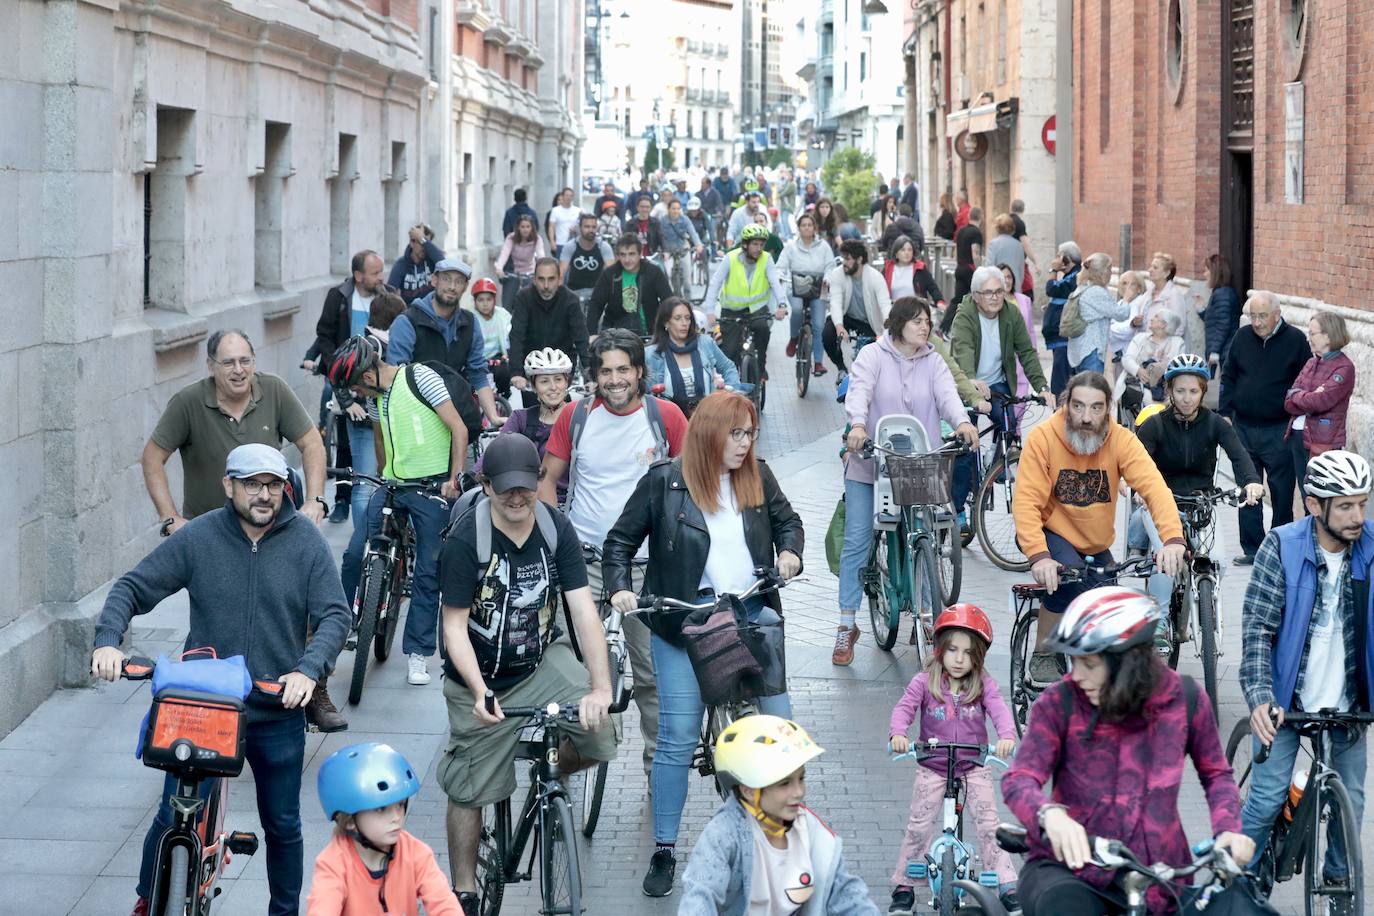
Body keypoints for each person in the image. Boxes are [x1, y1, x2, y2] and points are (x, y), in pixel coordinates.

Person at [94, 443, 351, 916]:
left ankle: (284, 911)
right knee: (173, 813)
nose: (264, 495)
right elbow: (134, 586)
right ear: (228, 486)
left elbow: (335, 615)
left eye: (273, 485)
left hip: (277, 708)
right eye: (252, 484)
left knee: (283, 823)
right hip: (204, 707)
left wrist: (307, 671)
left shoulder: (305, 542)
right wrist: (109, 639)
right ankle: (150, 899)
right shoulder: (201, 537)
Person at [603, 391, 804, 897]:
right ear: (710, 432)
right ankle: (665, 848)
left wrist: (790, 556)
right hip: (683, 619)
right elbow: (619, 542)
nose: (745, 444)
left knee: (779, 727)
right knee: (676, 735)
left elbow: (788, 522)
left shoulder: (757, 474)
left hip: (751, 611)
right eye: (736, 434)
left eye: (750, 433)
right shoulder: (664, 482)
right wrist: (620, 587)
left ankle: (783, 832)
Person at [436, 435, 618, 916]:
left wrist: (601, 687)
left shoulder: (557, 528)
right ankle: (464, 891)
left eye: (526, 487)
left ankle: (548, 768)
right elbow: (453, 626)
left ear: (538, 481)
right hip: (478, 674)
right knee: (471, 787)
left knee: (602, 737)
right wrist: (478, 692)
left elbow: (583, 613)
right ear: (486, 485)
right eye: (505, 489)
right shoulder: (464, 541)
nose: (517, 498)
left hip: (539, 662)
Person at [1002, 586, 1252, 916]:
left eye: (1089, 664)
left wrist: (1229, 832)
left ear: (1127, 663)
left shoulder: (1186, 699)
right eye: (1074, 662)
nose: (1076, 675)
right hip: (1072, 871)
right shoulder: (1059, 703)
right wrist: (1049, 815)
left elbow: (1217, 776)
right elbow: (1019, 779)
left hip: (1159, 876)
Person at [538, 330, 690, 779]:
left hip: (646, 568)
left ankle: (657, 771)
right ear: (594, 376)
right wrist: (557, 535)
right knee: (572, 665)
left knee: (650, 676)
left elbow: (692, 485)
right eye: (605, 371)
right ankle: (564, 764)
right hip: (584, 562)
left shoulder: (667, 417)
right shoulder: (575, 416)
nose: (615, 379)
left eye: (624, 369)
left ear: (640, 372)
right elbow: (547, 480)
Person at [1238, 450, 1374, 899]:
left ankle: (1339, 881)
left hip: (1350, 702)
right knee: (1265, 800)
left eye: (1363, 503)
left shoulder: (1371, 549)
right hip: (1285, 701)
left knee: (1351, 801)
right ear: (1315, 506)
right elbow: (1257, 627)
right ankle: (1238, 887)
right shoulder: (1281, 546)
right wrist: (1259, 696)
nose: (1358, 516)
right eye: (1346, 505)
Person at [1012, 371, 1187, 684]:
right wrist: (1039, 556)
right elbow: (1026, 501)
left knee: (1109, 611)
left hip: (1095, 542)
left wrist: (1172, 539)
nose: (1086, 417)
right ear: (1066, 404)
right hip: (1052, 533)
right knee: (1065, 578)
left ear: (1108, 409)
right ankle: (1043, 652)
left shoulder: (1121, 439)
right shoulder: (1043, 438)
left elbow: (1154, 487)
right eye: (1078, 407)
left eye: (1095, 408)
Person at [834, 298, 979, 665]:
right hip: (872, 461)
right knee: (857, 538)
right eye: (916, 321)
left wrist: (962, 422)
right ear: (898, 324)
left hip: (918, 464)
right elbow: (860, 392)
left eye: (927, 321)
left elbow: (948, 396)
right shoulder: (872, 355)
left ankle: (929, 620)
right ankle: (846, 623)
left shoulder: (933, 360)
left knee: (925, 533)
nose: (924, 327)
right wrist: (857, 426)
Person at [329, 336, 471, 687]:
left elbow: (459, 428)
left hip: (431, 487)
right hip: (393, 485)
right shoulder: (377, 398)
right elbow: (380, 440)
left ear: (367, 373)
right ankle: (342, 625)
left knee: (427, 572)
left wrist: (453, 480)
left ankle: (418, 654)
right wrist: (381, 475)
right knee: (351, 554)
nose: (358, 394)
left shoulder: (419, 378)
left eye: (355, 386)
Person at [886, 605, 1019, 916]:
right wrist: (898, 733)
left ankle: (1005, 882)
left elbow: (999, 710)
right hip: (932, 762)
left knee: (988, 824)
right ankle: (905, 884)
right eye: (953, 650)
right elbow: (903, 709)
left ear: (979, 657)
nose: (959, 659)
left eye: (968, 653)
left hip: (974, 763)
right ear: (939, 649)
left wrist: (1006, 737)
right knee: (919, 825)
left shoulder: (983, 684)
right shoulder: (924, 682)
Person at [678, 716, 880, 915]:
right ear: (749, 790)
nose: (799, 791)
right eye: (784, 783)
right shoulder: (723, 835)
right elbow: (700, 894)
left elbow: (846, 892)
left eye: (801, 779)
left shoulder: (811, 831)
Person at [144, 329, 327, 531]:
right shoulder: (188, 402)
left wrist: (314, 500)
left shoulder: (274, 390)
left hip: (270, 529)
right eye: (229, 363)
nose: (239, 370)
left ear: (254, 362)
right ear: (211, 366)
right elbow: (152, 457)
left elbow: (312, 443)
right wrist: (170, 517)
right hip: (209, 534)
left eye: (245, 361)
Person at [1129, 354, 1263, 607]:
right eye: (1180, 390)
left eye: (1193, 391)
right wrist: (1138, 488)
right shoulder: (1154, 426)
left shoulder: (1215, 424)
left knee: (1218, 562)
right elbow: (1136, 463)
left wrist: (1251, 481)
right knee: (1166, 560)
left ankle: (1203, 608)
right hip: (1160, 501)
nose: (1187, 398)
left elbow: (1238, 455)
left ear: (1203, 391)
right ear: (1168, 389)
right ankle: (1158, 620)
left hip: (1202, 502)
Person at [948, 266, 1054, 532]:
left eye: (999, 291)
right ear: (975, 295)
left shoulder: (1011, 314)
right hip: (967, 382)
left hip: (996, 383)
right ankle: (959, 510)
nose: (995, 297)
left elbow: (1027, 352)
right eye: (988, 293)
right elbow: (962, 352)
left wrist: (1042, 387)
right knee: (965, 443)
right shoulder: (964, 317)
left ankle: (997, 465)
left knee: (1007, 421)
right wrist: (972, 385)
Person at [308, 742, 460, 916]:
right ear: (349, 820)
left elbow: (443, 903)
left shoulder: (416, 853)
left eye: (400, 805)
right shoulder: (333, 864)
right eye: (381, 809)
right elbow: (322, 907)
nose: (396, 817)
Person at [1220, 291, 1313, 564]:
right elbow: (1229, 374)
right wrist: (1224, 413)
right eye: (1253, 316)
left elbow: (1304, 381)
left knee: (1281, 491)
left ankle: (1280, 548)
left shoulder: (1296, 340)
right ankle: (1253, 549)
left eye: (1262, 316)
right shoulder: (1242, 337)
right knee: (1247, 490)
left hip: (1278, 429)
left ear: (1277, 314)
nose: (1257, 322)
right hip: (1244, 426)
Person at [387, 258, 507, 428]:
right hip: (416, 417)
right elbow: (396, 376)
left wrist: (493, 417)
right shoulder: (407, 321)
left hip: (457, 416)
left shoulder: (470, 323)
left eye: (458, 282)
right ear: (434, 280)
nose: (452, 286)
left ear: (465, 287)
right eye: (446, 279)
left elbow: (478, 374)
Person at [475, 348, 575, 502]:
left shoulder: (579, 416)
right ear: (534, 387)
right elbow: (496, 450)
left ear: (566, 382)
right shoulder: (521, 418)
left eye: (558, 379)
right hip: (527, 501)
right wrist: (470, 476)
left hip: (573, 503)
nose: (553, 387)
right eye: (544, 381)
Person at [705, 223, 789, 380]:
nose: (759, 248)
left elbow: (775, 283)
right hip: (731, 310)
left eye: (761, 244)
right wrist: (710, 311)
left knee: (763, 329)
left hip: (757, 309)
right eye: (755, 244)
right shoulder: (730, 258)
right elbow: (715, 282)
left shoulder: (766, 259)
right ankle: (732, 384)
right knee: (730, 352)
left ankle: (761, 367)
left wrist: (782, 305)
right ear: (745, 244)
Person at [1286, 312, 1356, 492]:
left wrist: (1300, 396)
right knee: (1306, 494)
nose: (1308, 339)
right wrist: (1303, 396)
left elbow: (1321, 402)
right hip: (1298, 437)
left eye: (1312, 333)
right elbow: (1288, 401)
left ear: (1328, 335)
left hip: (1323, 442)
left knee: (1320, 496)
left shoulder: (1344, 367)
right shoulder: (1311, 362)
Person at [645, 297, 742, 416]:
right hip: (669, 421)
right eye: (678, 318)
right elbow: (643, 393)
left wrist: (730, 393)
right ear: (666, 322)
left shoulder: (705, 343)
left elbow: (729, 367)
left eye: (687, 318)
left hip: (706, 419)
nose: (684, 323)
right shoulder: (651, 354)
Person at [508, 257, 591, 391]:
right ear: (534, 279)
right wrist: (516, 373)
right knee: (532, 410)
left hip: (561, 366)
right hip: (532, 367)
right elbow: (517, 335)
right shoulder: (523, 297)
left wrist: (591, 374)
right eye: (541, 279)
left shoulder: (571, 300)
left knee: (562, 409)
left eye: (551, 279)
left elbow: (581, 338)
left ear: (559, 279)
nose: (546, 286)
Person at [779, 211, 836, 376]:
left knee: (819, 325)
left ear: (814, 228)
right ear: (799, 228)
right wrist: (780, 277)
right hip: (796, 288)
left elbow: (830, 266)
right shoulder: (790, 247)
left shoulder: (823, 246)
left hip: (819, 288)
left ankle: (818, 362)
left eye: (809, 225)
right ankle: (793, 338)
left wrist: (828, 278)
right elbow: (780, 266)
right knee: (796, 310)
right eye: (803, 225)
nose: (806, 228)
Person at [586, 233, 675, 337]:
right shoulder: (610, 274)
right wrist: (591, 334)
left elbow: (668, 301)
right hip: (615, 333)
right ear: (617, 256)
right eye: (623, 255)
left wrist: (670, 328)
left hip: (649, 331)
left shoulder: (653, 272)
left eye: (631, 254)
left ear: (640, 253)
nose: (627, 260)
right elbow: (595, 304)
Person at [1064, 252, 1127, 375]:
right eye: (1109, 268)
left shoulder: (1081, 288)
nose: (1110, 273)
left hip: (1079, 350)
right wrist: (1127, 299)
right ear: (1103, 271)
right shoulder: (1096, 292)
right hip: (1091, 350)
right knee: (1092, 390)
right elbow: (1121, 314)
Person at [1119, 308, 1184, 405]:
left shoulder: (1177, 343)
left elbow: (1179, 368)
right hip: (1137, 384)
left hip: (1164, 387)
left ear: (1163, 324)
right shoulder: (1140, 338)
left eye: (1156, 317)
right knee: (1145, 397)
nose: (1151, 319)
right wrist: (1138, 371)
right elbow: (1127, 359)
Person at [1042, 242, 1083, 396]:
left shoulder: (1076, 276)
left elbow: (1052, 288)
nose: (1057, 258)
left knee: (1061, 381)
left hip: (1064, 341)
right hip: (1058, 340)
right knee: (1060, 378)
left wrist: (1053, 269)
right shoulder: (1069, 275)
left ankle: (1060, 410)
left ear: (1067, 258)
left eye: (1059, 255)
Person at [467, 277, 513, 397]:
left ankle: (503, 397)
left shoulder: (502, 315)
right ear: (475, 302)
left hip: (498, 356)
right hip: (478, 358)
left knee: (504, 372)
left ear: (494, 300)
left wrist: (507, 354)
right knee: (471, 380)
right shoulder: (471, 318)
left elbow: (510, 334)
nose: (485, 304)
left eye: (489, 299)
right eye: (481, 300)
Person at [561, 211, 615, 310]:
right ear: (580, 228)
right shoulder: (570, 246)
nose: (591, 230)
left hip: (596, 292)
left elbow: (611, 272)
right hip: (574, 292)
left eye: (593, 227)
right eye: (587, 227)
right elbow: (561, 271)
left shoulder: (604, 246)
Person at [1107, 270, 1151, 382]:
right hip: (1117, 355)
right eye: (1124, 283)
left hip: (1131, 356)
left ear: (1139, 288)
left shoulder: (1138, 304)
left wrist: (1110, 329)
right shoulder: (1120, 303)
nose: (1127, 287)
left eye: (1132, 284)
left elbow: (1125, 332)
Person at [1200, 253, 1240, 378]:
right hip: (1223, 350)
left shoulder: (1222, 294)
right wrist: (1201, 310)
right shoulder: (1221, 292)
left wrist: (1214, 351)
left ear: (1215, 272)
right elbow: (1216, 321)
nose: (1204, 274)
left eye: (1207, 270)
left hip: (1224, 352)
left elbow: (1223, 325)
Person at [946, 207, 984, 334]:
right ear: (981, 217)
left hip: (960, 268)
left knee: (957, 300)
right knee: (980, 298)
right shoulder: (976, 233)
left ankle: (944, 327)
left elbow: (956, 250)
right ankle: (979, 328)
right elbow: (975, 253)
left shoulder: (961, 231)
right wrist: (980, 269)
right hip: (970, 269)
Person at [387, 224, 446, 304]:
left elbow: (444, 263)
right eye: (421, 243)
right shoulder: (400, 265)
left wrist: (423, 240)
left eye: (427, 243)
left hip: (430, 312)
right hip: (409, 313)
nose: (425, 248)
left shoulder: (432, 261)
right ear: (412, 243)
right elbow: (389, 295)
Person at [657, 197, 705, 296]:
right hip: (668, 252)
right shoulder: (663, 221)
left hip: (683, 250)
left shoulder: (685, 219)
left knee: (687, 279)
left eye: (678, 208)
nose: (676, 211)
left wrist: (698, 244)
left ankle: (688, 302)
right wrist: (663, 251)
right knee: (669, 276)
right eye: (673, 208)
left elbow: (692, 232)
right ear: (668, 209)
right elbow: (660, 237)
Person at [1147, 251, 1193, 351]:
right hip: (1147, 348)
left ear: (1166, 273)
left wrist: (1163, 343)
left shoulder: (1174, 295)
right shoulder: (1148, 292)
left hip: (1166, 351)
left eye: (1155, 268)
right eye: (1151, 267)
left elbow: (1179, 327)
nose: (1150, 270)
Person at [882, 234, 943, 305]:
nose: (906, 253)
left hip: (917, 308)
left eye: (909, 250)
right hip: (894, 309)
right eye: (903, 250)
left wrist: (939, 302)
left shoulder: (920, 268)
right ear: (896, 254)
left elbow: (932, 287)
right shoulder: (888, 269)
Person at [985, 213, 1025, 291]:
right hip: (1015, 286)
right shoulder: (1019, 245)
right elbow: (1021, 271)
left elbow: (990, 267)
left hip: (998, 286)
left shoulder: (993, 244)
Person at [546, 186, 581, 251]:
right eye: (567, 195)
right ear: (562, 196)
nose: (569, 197)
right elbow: (551, 227)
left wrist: (576, 229)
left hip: (574, 243)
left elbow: (581, 226)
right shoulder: (555, 210)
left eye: (571, 196)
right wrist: (552, 241)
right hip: (560, 243)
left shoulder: (578, 210)